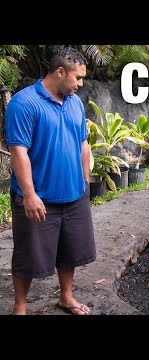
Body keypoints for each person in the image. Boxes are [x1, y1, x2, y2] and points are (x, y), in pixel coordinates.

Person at [5, 47, 95, 315]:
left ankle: (66, 297)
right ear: (59, 72)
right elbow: (18, 151)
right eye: (77, 78)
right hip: (38, 197)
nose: (80, 84)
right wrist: (29, 194)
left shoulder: (75, 103)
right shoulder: (24, 103)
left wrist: (85, 184)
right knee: (28, 255)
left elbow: (83, 144)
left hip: (73, 194)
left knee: (70, 251)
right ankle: (20, 307)